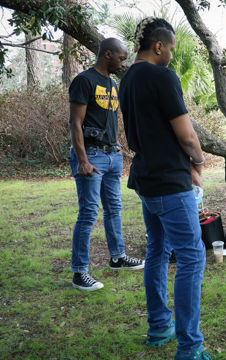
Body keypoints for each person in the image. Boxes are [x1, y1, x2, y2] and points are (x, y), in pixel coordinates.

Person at [118, 17, 215, 360]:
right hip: (170, 184)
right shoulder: (162, 76)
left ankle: (160, 325)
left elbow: (153, 131)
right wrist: (199, 162)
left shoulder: (126, 78)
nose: (172, 54)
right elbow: (187, 135)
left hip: (145, 180)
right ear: (159, 46)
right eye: (171, 48)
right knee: (192, 256)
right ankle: (190, 348)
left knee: (157, 251)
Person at [68, 38, 144, 292]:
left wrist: (116, 144)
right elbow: (75, 123)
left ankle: (117, 257)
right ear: (107, 54)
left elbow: (107, 120)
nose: (123, 63)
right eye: (121, 58)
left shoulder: (111, 84)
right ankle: (79, 272)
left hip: (112, 155)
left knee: (114, 209)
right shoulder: (84, 80)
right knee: (89, 213)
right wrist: (82, 160)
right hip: (91, 157)